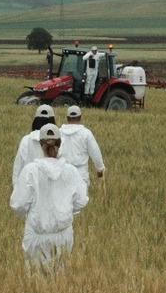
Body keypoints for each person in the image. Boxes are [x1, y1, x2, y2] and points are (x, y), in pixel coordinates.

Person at [10, 123, 88, 270]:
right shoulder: (71, 171)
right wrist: (67, 211)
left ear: (41, 145)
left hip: (36, 236)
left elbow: (18, 204)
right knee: (61, 280)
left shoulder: (30, 171)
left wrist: (28, 215)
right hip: (64, 236)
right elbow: (82, 201)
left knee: (35, 278)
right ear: (60, 144)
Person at [58, 105, 105, 187]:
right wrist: (100, 169)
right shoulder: (86, 133)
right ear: (80, 117)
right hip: (80, 176)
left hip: (62, 174)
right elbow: (95, 153)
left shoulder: (59, 132)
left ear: (67, 118)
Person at [12, 104, 56, 186]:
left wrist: (16, 189)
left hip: (29, 186)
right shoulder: (57, 141)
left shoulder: (26, 139)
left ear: (35, 121)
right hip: (50, 188)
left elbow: (18, 166)